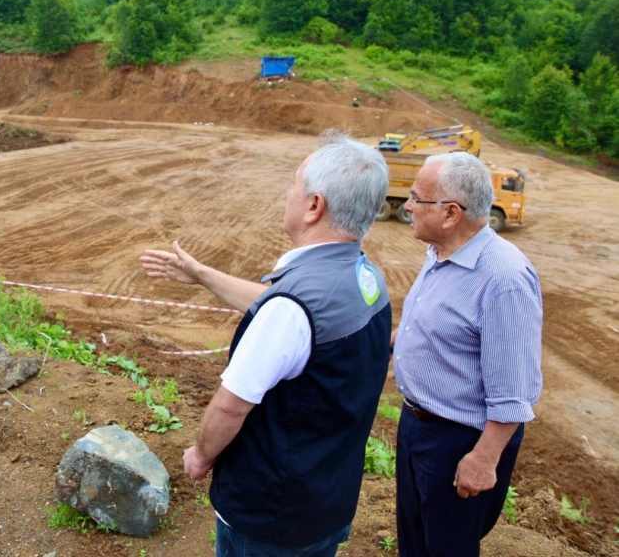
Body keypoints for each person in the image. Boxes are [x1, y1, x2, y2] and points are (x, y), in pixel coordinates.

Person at [141, 131, 392, 557]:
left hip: (270, 514)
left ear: (314, 206)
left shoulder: (291, 309)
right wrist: (202, 275)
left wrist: (200, 457)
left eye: (294, 184)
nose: (288, 193)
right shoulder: (365, 279)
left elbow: (229, 406)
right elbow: (289, 315)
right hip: (327, 501)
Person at [392, 151, 543, 557]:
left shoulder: (504, 280)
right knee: (415, 541)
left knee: (448, 547)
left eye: (416, 197)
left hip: (460, 440)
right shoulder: (441, 253)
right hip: (418, 426)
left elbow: (515, 391)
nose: (407, 206)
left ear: (450, 213)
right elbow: (435, 326)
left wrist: (483, 458)